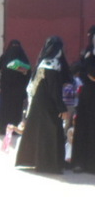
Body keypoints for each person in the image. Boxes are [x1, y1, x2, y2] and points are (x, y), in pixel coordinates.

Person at [15, 36, 71, 174]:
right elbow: (53, 89)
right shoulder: (51, 65)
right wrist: (62, 108)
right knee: (49, 133)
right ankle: (47, 164)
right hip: (48, 105)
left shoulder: (44, 63)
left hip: (39, 104)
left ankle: (35, 161)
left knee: (39, 132)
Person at [71, 25, 95, 173]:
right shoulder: (87, 54)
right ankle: (81, 162)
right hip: (88, 97)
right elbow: (88, 74)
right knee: (86, 128)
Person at [0, 39, 31, 135]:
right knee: (12, 109)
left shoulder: (7, 57)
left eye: (16, 47)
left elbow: (29, 72)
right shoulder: (18, 57)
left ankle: (8, 128)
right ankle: (6, 128)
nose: (15, 50)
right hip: (12, 89)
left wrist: (24, 71)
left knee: (11, 109)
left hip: (12, 89)